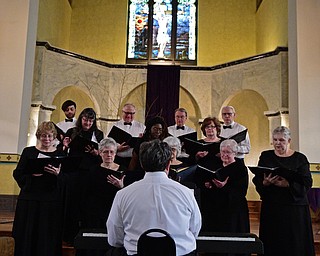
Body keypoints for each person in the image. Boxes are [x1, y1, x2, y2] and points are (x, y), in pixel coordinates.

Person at [107, 139, 202, 256]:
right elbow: (195, 230)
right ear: (168, 165)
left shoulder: (123, 194)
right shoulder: (186, 193)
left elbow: (114, 238)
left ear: (142, 164)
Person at [252, 126, 315, 256]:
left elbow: (307, 183)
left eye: (281, 140)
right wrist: (265, 182)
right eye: (275, 140)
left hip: (294, 209)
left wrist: (287, 184)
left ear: (289, 140)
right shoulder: (266, 156)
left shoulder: (300, 158)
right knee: (273, 242)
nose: (277, 143)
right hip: (272, 207)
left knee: (294, 243)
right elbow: (258, 178)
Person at [12, 121, 65, 256]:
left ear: (54, 137)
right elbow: (17, 173)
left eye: (49, 136)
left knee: (46, 235)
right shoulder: (28, 152)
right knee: (27, 234)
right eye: (43, 136)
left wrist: (58, 174)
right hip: (30, 199)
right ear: (38, 136)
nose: (46, 139)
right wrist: (31, 175)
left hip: (50, 200)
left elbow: (66, 179)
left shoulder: (60, 154)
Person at [62, 107, 104, 244]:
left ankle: (87, 236)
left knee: (88, 205)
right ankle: (69, 236)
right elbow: (64, 153)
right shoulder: (72, 132)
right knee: (72, 205)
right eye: (85, 119)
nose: (87, 123)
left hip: (90, 173)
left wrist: (96, 153)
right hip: (74, 172)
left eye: (91, 120)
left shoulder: (98, 134)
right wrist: (65, 146)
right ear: (81, 119)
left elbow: (101, 156)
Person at [78, 137, 126, 256]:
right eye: (105, 152)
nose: (108, 155)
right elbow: (86, 193)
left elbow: (128, 195)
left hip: (115, 211)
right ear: (100, 153)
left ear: (115, 153)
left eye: (111, 152)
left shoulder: (123, 171)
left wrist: (121, 186)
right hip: (95, 213)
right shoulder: (93, 170)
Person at [196, 139, 250, 240]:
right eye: (222, 151)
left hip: (233, 210)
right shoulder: (215, 166)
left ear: (235, 153)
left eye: (228, 152)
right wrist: (208, 186)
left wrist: (224, 187)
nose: (224, 154)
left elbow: (241, 191)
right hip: (216, 209)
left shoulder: (240, 168)